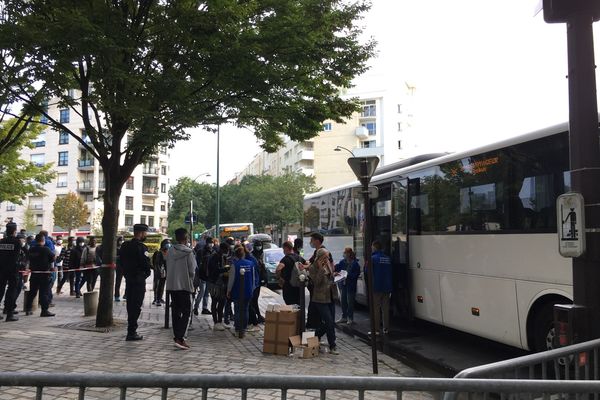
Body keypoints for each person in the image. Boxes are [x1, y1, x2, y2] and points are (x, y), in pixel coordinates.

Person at [120, 224, 152, 341]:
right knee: (136, 306)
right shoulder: (142, 247)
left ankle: (131, 329)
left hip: (129, 280)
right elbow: (146, 265)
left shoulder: (125, 246)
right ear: (141, 233)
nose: (146, 235)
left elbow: (121, 262)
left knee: (130, 305)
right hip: (138, 280)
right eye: (145, 233)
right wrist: (145, 274)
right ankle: (132, 331)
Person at [166, 228, 196, 350]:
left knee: (176, 311)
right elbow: (192, 270)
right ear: (186, 238)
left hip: (172, 286)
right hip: (184, 285)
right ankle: (181, 338)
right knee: (187, 311)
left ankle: (177, 336)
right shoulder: (189, 252)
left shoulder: (170, 251)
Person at [308, 247, 338, 354]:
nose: (328, 259)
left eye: (328, 257)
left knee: (331, 322)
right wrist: (320, 269)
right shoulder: (313, 267)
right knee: (329, 321)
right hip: (320, 298)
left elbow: (329, 278)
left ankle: (316, 335)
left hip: (330, 296)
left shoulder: (328, 264)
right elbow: (316, 282)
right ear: (320, 258)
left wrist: (334, 275)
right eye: (326, 257)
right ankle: (332, 345)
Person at [306, 232, 333, 330]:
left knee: (328, 320)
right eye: (326, 257)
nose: (327, 259)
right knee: (326, 320)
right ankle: (320, 336)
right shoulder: (317, 258)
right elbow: (316, 279)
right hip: (320, 296)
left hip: (326, 295)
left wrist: (332, 274)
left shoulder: (323, 252)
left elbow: (330, 273)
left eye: (311, 240)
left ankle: (328, 340)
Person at [227, 246, 256, 336]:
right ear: (244, 254)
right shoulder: (251, 264)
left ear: (235, 255)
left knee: (238, 310)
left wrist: (228, 291)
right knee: (245, 309)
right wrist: (252, 289)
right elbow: (254, 279)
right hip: (248, 291)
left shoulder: (234, 265)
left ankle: (238, 329)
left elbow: (231, 280)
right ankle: (243, 328)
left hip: (237, 291)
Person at [365, 240, 392, 335]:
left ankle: (376, 330)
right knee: (385, 308)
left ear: (374, 247)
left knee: (376, 308)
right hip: (387, 287)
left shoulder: (372, 258)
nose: (371, 249)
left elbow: (366, 271)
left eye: (372, 247)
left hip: (376, 287)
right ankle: (386, 328)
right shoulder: (388, 258)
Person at [25, 233, 56, 317]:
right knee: (44, 293)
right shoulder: (46, 249)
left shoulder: (31, 250)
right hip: (44, 274)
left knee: (32, 292)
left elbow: (28, 260)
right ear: (43, 240)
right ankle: (44, 310)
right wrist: (52, 267)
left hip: (34, 274)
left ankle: (28, 309)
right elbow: (53, 258)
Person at [0, 222, 22, 321]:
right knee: (12, 290)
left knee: (0, 289)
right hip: (13, 269)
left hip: (1, 268)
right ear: (14, 231)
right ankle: (9, 314)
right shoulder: (17, 242)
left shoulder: (1, 242)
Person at [207, 242, 230, 330]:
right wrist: (225, 269)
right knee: (215, 301)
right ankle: (216, 322)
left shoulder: (222, 257)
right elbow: (215, 270)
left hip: (221, 282)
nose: (227, 252)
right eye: (226, 250)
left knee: (222, 302)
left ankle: (220, 321)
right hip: (214, 282)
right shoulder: (214, 257)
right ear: (222, 249)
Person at [334, 247, 360, 325]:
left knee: (350, 302)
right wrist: (336, 272)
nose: (344, 254)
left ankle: (350, 318)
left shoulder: (355, 264)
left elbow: (356, 275)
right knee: (343, 301)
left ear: (349, 254)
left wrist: (348, 275)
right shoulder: (342, 262)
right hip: (343, 285)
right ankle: (344, 317)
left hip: (351, 285)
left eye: (345, 253)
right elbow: (337, 268)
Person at [276, 241, 305, 305]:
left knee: (290, 305)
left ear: (286, 248)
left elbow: (278, 269)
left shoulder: (285, 259)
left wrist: (279, 278)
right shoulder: (299, 258)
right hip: (299, 285)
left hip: (288, 287)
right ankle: (299, 315)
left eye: (283, 249)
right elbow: (307, 265)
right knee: (298, 305)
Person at [193, 237, 213, 316]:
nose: (211, 244)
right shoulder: (203, 251)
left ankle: (203, 308)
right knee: (202, 292)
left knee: (205, 293)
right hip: (203, 275)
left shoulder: (210, 251)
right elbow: (197, 263)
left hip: (206, 275)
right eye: (210, 243)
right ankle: (197, 307)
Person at [248, 240, 266, 326]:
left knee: (255, 299)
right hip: (254, 281)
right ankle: (256, 316)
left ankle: (257, 316)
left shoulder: (261, 254)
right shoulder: (252, 256)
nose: (259, 247)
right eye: (257, 246)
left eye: (260, 246)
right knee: (253, 299)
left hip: (258, 281)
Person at [152, 239, 170, 306]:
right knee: (158, 285)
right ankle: (156, 299)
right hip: (159, 272)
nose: (168, 245)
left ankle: (160, 298)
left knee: (162, 286)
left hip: (165, 272)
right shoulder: (159, 253)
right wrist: (160, 272)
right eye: (167, 243)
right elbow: (157, 263)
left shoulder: (169, 253)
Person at [114, 236, 125, 301]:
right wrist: (118, 257)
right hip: (119, 266)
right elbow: (114, 257)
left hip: (125, 266)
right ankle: (116, 295)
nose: (121, 241)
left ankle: (126, 295)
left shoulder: (125, 247)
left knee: (128, 281)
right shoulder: (115, 248)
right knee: (118, 281)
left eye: (123, 240)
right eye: (120, 240)